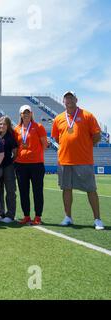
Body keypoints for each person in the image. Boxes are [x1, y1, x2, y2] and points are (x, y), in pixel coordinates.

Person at [51, 91, 105, 230]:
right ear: (63, 101)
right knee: (66, 189)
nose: (68, 100)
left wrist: (85, 145)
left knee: (91, 189)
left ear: (76, 99)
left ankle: (97, 219)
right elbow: (57, 138)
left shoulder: (87, 115)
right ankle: (68, 217)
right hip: (64, 160)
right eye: (66, 98)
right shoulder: (58, 118)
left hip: (84, 159)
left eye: (71, 97)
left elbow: (97, 135)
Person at [14, 105, 48, 225]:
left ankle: (38, 216)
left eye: (28, 112)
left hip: (36, 164)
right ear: (21, 115)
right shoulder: (16, 129)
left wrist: (35, 154)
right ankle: (26, 216)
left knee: (37, 191)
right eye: (24, 112)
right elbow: (16, 146)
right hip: (20, 165)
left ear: (31, 113)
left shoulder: (38, 127)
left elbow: (45, 144)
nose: (26, 114)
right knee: (23, 191)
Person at [0, 116, 18, 223]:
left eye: (4, 124)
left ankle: (10, 214)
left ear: (8, 125)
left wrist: (10, 163)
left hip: (8, 167)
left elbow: (15, 153)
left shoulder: (10, 137)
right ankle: (1, 212)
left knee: (10, 190)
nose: (2, 126)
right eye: (0, 124)